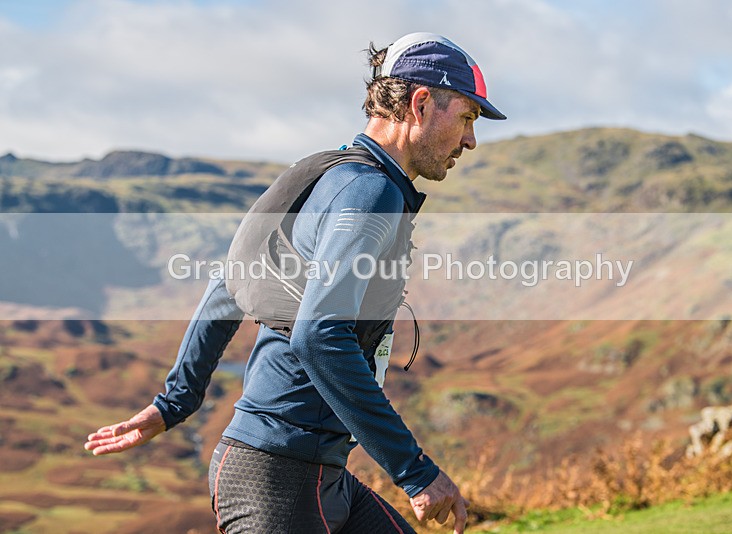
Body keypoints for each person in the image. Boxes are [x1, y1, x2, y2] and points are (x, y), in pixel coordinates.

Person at [84, 32, 505, 533]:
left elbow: (229, 286)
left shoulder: (333, 176)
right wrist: (415, 474)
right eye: (466, 117)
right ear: (420, 104)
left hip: (308, 473)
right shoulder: (370, 193)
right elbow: (319, 334)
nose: (470, 140)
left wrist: (176, 402)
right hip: (278, 481)